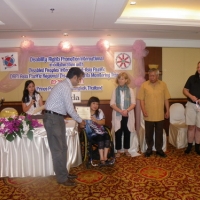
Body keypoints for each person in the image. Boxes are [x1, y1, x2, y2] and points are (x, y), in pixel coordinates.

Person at [43, 67, 85, 187]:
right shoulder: (65, 87)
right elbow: (70, 109)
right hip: (53, 119)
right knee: (58, 150)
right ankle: (62, 178)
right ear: (74, 77)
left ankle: (64, 174)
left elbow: (66, 109)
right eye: (79, 79)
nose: (79, 81)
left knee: (63, 148)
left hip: (57, 118)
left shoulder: (64, 86)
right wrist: (80, 121)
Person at [137, 68, 170, 158]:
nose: (151, 77)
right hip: (148, 114)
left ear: (157, 75)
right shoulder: (144, 85)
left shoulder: (163, 85)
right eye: (150, 75)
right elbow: (141, 100)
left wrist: (167, 110)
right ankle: (149, 149)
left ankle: (159, 149)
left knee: (159, 133)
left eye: (153, 75)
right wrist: (143, 110)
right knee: (149, 133)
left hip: (159, 114)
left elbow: (166, 98)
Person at [110, 72, 136, 157]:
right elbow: (112, 104)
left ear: (126, 80)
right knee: (118, 132)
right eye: (119, 78)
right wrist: (121, 111)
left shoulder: (130, 90)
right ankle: (118, 151)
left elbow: (133, 103)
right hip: (118, 114)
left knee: (127, 132)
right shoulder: (115, 90)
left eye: (122, 79)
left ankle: (126, 150)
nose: (120, 80)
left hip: (128, 114)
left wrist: (126, 111)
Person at [85, 96, 111, 166]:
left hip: (101, 131)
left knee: (107, 136)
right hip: (91, 133)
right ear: (89, 104)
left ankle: (105, 157)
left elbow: (103, 122)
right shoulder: (85, 112)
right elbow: (82, 125)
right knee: (100, 137)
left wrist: (96, 120)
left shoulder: (99, 111)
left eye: (97, 104)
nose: (95, 106)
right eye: (93, 103)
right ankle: (101, 158)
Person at [183, 61, 200, 155]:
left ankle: (197, 147)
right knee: (191, 126)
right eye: (198, 67)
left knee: (199, 127)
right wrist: (191, 96)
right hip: (191, 105)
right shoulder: (192, 78)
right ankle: (189, 146)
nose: (199, 69)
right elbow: (185, 90)